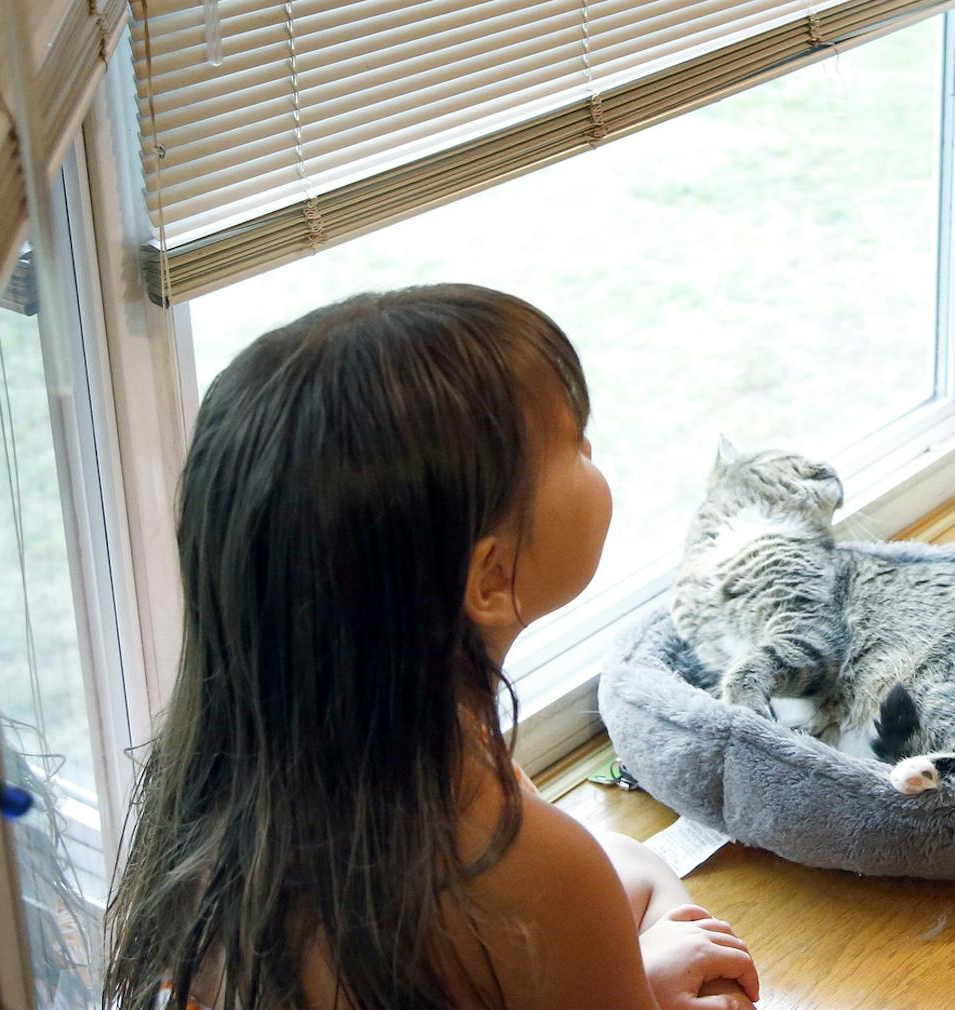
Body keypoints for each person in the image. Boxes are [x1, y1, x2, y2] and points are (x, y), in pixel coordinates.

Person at [105, 285, 762, 1010]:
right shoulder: (527, 876)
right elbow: (574, 897)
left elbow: (609, 878)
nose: (592, 450)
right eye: (576, 440)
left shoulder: (228, 807)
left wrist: (635, 962)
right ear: (491, 579)